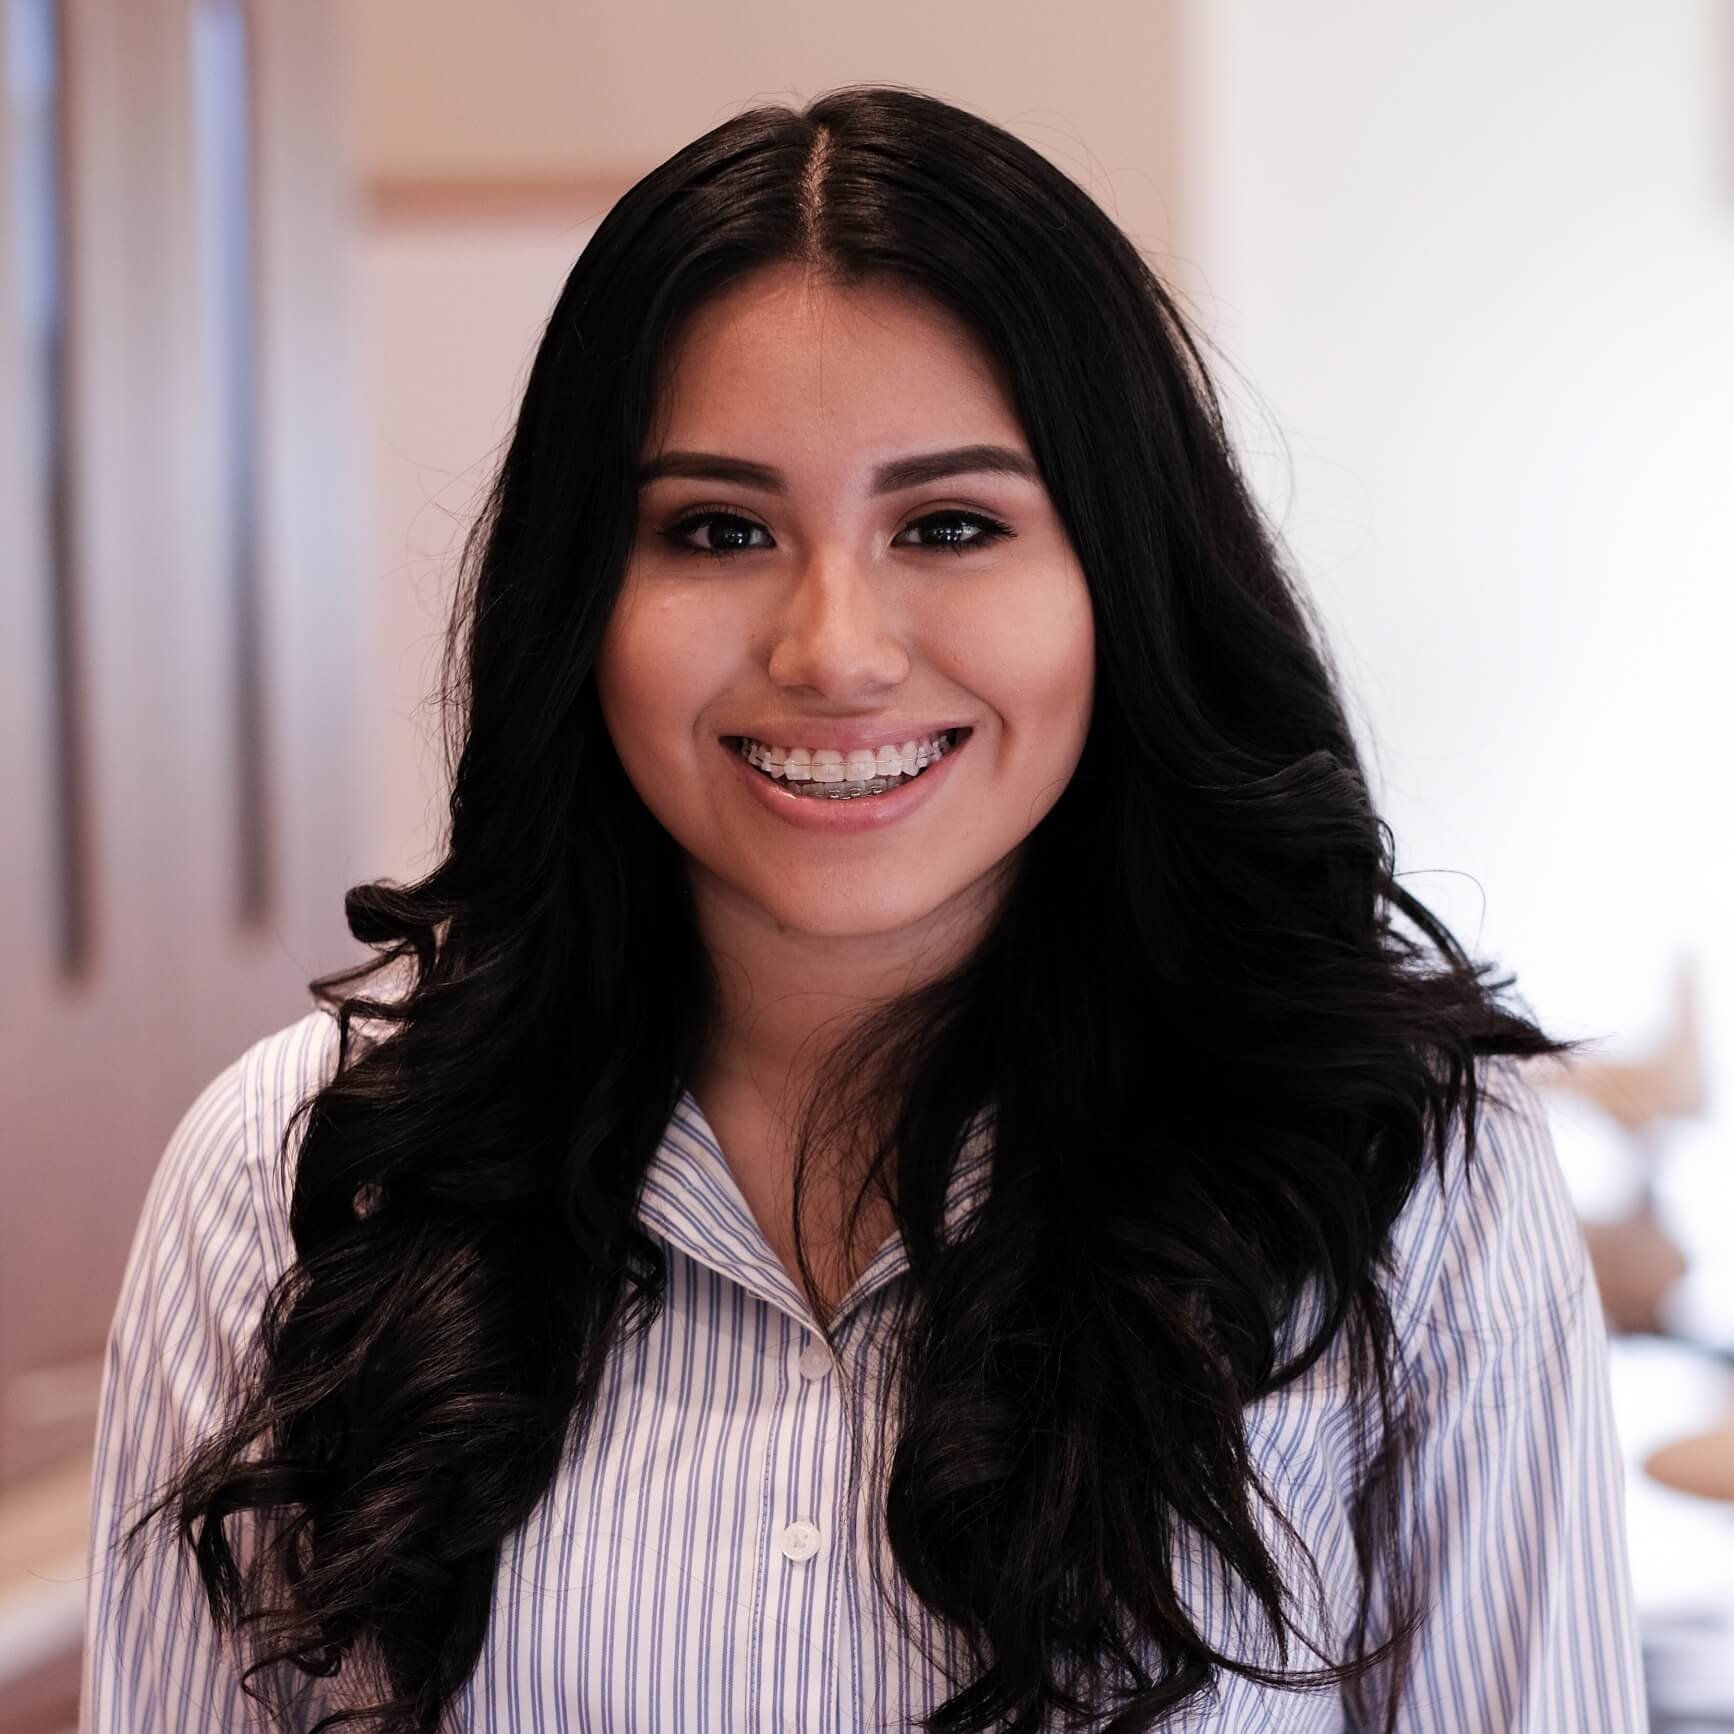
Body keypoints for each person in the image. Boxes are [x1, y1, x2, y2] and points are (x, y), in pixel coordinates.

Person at [81, 85, 1646, 1733]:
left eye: (952, 524)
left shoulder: (1409, 1181)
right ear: (579, 599)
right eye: (718, 529)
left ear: (1124, 581)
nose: (834, 648)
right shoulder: (296, 1179)